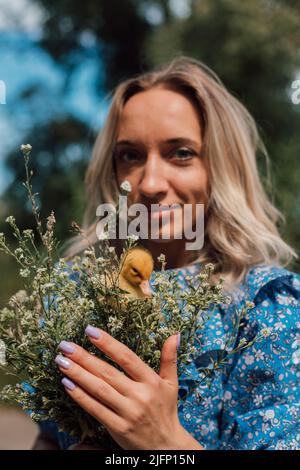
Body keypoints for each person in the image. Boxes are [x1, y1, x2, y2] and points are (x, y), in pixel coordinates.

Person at [34, 56, 300, 450]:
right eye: (131, 155)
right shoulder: (72, 290)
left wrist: (163, 442)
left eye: (181, 153)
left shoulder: (265, 303)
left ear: (221, 166)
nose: (151, 182)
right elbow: (46, 438)